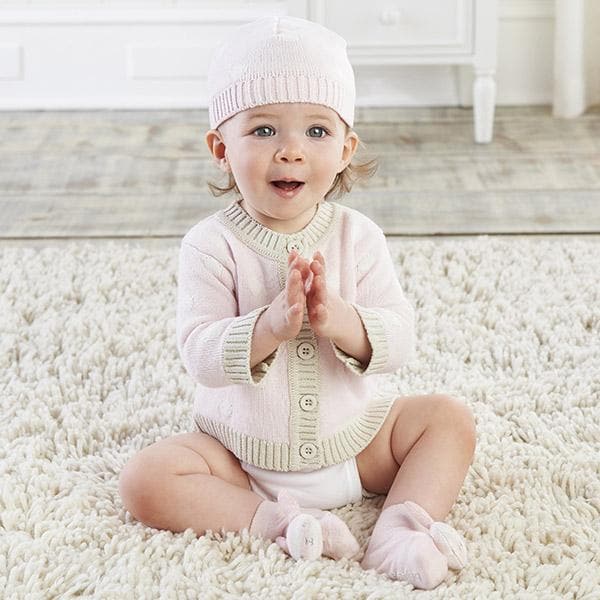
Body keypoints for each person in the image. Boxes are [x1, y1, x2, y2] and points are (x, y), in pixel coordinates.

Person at [118, 15, 477, 590]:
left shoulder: (358, 236)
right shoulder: (211, 245)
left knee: (449, 421)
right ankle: (279, 526)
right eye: (263, 131)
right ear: (220, 147)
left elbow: (399, 338)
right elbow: (200, 354)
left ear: (345, 148)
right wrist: (268, 327)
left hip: (357, 445)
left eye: (316, 132)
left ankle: (400, 530)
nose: (290, 152)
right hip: (240, 461)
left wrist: (341, 321)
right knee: (145, 479)